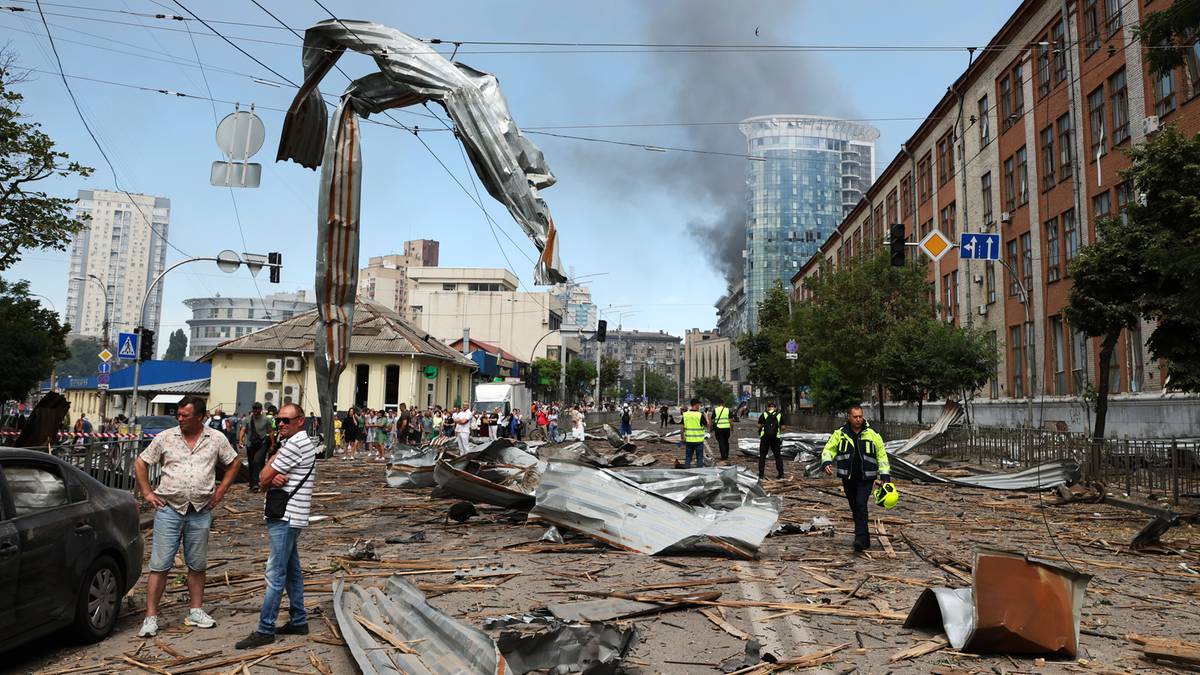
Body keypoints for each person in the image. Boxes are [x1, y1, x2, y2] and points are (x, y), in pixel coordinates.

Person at [134, 395, 240, 637]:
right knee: (160, 565)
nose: (180, 419)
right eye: (178, 415)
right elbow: (141, 463)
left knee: (197, 564)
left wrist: (221, 491)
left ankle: (195, 610)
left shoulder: (216, 439)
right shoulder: (165, 438)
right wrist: (147, 493)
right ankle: (150, 617)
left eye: (185, 415)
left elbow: (234, 463)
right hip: (169, 508)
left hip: (201, 510)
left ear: (201, 417)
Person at [235, 403, 318, 649]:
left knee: (275, 573)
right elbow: (266, 476)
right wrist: (271, 472)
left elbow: (261, 477)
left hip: (286, 515)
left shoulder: (295, 444)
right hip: (291, 514)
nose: (280, 424)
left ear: (300, 421)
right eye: (278, 421)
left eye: (286, 420)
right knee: (291, 570)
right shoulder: (291, 443)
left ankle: (265, 628)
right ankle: (299, 619)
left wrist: (269, 473)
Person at [820, 405, 890, 552]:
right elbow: (828, 449)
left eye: (860, 416)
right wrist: (826, 462)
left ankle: (860, 539)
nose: (858, 419)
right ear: (849, 417)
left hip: (866, 477)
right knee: (855, 507)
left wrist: (884, 474)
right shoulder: (841, 434)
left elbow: (882, 454)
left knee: (860, 504)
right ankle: (864, 539)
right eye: (855, 417)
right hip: (848, 477)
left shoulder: (872, 434)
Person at [238, 403, 275, 491]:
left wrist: (272, 444)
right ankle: (252, 484)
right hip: (250, 444)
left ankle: (256, 484)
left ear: (261, 409)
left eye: (257, 409)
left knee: (256, 461)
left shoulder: (266, 419)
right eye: (254, 409)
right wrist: (240, 440)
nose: (255, 411)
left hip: (262, 443)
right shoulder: (247, 419)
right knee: (251, 464)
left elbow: (270, 432)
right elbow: (242, 430)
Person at [757, 401, 785, 480]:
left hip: (765, 438)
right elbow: (783, 427)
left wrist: (764, 425)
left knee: (762, 456)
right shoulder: (779, 415)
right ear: (775, 408)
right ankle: (781, 474)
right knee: (778, 456)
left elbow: (758, 425)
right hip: (775, 438)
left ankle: (761, 474)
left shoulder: (764, 414)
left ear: (768, 408)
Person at [680, 399, 706, 468]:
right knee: (699, 458)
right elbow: (707, 425)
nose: (699, 406)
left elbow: (682, 427)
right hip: (698, 441)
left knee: (688, 458)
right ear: (696, 405)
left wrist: (682, 437)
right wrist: (706, 415)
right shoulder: (700, 415)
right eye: (699, 405)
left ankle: (686, 472)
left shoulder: (685, 414)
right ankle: (700, 473)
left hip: (689, 440)